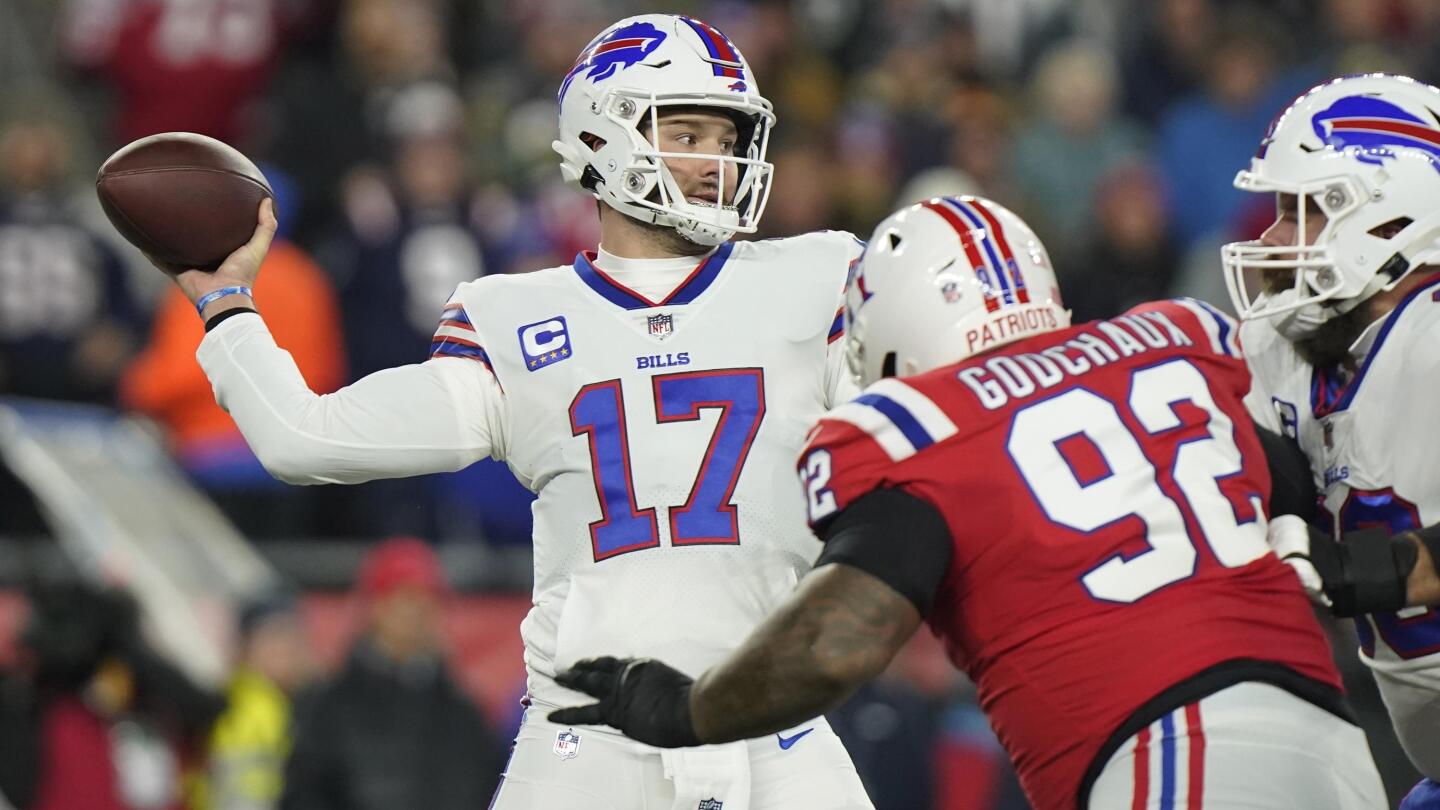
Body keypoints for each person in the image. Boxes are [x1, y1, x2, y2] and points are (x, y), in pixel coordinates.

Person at [153, 14, 871, 808]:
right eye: (689, 132)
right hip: (590, 738)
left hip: (775, 727)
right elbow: (303, 437)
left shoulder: (818, 277)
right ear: (605, 138)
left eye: (728, 136)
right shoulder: (516, 320)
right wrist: (225, 304)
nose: (718, 162)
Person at [549, 195, 1387, 810]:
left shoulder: (918, 426)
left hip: (1170, 748)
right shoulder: (1170, 344)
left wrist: (691, 709)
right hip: (1331, 736)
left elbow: (837, 643)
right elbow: (1299, 500)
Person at [1215, 72, 1440, 797]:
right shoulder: (1294, 346)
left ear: (1389, 216)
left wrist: (1366, 569)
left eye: (1301, 210)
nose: (1273, 237)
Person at [281, 538, 503, 810]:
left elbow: (486, 792)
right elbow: (303, 795)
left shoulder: (463, 712)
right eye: (406, 599)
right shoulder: (326, 706)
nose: (418, 614)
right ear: (375, 607)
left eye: (428, 601)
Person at [194, 590, 315, 810]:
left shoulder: (304, 706)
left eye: (290, 635)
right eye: (272, 636)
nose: (284, 648)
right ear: (246, 646)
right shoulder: (229, 706)